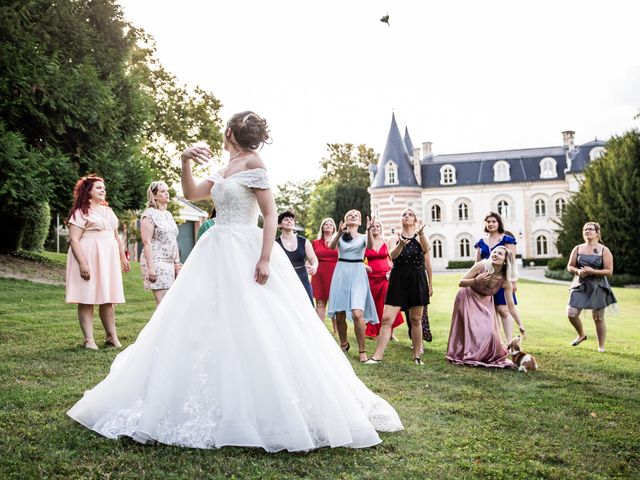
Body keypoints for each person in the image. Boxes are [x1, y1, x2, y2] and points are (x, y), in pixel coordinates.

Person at [67, 111, 402, 452]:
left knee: (256, 321)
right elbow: (192, 192)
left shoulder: (254, 163)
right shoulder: (224, 168)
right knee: (203, 321)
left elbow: (270, 213)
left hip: (246, 248)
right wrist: (184, 160)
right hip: (215, 250)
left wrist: (265, 257)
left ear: (229, 132)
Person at [65, 175, 130, 350]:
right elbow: (74, 240)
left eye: (104, 187)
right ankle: (89, 340)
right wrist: (83, 263)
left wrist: (123, 257)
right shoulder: (80, 213)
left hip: (108, 259)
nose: (103, 190)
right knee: (87, 297)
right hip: (88, 256)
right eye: (98, 187)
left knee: (107, 298)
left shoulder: (108, 211)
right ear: (88, 191)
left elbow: (116, 236)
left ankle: (111, 336)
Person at [366, 209, 429, 365]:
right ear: (401, 220)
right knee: (387, 318)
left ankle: (416, 356)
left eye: (410, 214)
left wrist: (421, 234)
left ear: (414, 220)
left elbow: (426, 250)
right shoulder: (394, 238)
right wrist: (401, 244)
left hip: (417, 279)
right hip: (398, 279)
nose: (406, 216)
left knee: (416, 319)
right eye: (404, 215)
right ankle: (377, 356)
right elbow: (392, 256)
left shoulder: (420, 237)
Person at [446, 246, 525, 368]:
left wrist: (520, 324)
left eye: (500, 254)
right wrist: (476, 280)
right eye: (494, 252)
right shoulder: (481, 266)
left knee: (490, 333)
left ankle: (484, 356)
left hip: (485, 302)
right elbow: (461, 282)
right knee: (472, 330)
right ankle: (469, 354)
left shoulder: (505, 281)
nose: (495, 254)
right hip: (467, 297)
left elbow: (511, 306)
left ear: (505, 260)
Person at [327, 210, 379, 363]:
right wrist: (338, 233)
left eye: (356, 216)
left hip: (357, 274)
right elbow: (331, 247)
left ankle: (362, 351)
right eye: (350, 215)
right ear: (345, 220)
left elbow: (370, 247)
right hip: (341, 273)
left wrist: (369, 231)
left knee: (357, 314)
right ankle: (343, 344)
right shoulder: (341, 236)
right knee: (340, 313)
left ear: (360, 222)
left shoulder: (364, 236)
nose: (353, 216)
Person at [566, 222, 617, 352]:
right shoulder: (577, 248)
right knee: (571, 313)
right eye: (585, 229)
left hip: (598, 286)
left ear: (597, 233)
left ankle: (601, 346)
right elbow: (570, 266)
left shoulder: (604, 250)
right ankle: (581, 334)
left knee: (598, 317)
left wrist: (593, 271)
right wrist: (578, 271)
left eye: (590, 229)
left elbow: (609, 271)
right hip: (580, 285)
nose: (587, 231)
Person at [475, 212, 521, 342]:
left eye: (493, 221)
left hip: (502, 280)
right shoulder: (480, 242)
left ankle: (509, 343)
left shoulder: (507, 240)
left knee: (503, 310)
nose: (491, 224)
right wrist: (476, 281)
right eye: (488, 221)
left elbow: (512, 262)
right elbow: (477, 263)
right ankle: (497, 343)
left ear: (498, 223)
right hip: (485, 281)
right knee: (491, 312)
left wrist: (513, 282)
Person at [140, 181, 181, 306]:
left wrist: (177, 263)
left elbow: (173, 239)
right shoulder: (149, 215)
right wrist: (151, 269)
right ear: (155, 196)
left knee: (171, 302)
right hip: (156, 261)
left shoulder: (168, 215)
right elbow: (146, 242)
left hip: (170, 262)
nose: (167, 193)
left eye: (166, 190)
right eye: (162, 191)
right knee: (163, 303)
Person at [364, 219, 403, 339]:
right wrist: (365, 266)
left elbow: (392, 259)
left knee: (387, 304)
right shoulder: (366, 243)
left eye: (378, 226)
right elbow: (359, 259)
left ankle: (390, 333)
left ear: (381, 229)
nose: (375, 228)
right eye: (373, 226)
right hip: (371, 277)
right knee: (374, 304)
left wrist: (391, 271)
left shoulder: (386, 242)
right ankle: (374, 331)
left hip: (385, 277)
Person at [276, 211, 318, 304]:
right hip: (284, 279)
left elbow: (313, 259)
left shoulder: (304, 241)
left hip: (302, 278)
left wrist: (314, 266)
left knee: (307, 306)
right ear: (279, 225)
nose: (289, 221)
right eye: (286, 219)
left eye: (291, 220)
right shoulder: (275, 243)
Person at [311, 218, 339, 332]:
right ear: (322, 228)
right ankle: (320, 330)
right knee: (320, 302)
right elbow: (311, 258)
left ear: (334, 228)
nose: (328, 226)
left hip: (335, 274)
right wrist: (310, 266)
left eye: (330, 224)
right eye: (325, 224)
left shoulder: (339, 241)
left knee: (336, 303)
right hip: (319, 274)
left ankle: (337, 331)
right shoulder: (315, 242)